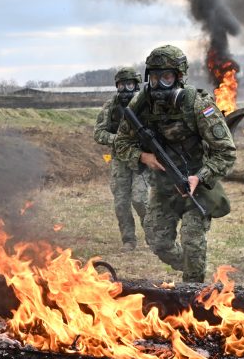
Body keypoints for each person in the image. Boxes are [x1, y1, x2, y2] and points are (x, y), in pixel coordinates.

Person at [114, 45, 236, 283]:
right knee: (158, 241)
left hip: (197, 186)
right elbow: (121, 144)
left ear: (179, 77)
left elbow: (226, 152)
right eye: (155, 77)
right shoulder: (142, 104)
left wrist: (200, 177)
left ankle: (193, 290)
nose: (160, 83)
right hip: (163, 186)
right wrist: (143, 157)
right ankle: (190, 266)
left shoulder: (198, 104)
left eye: (167, 76)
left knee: (192, 241)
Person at [93, 66, 149, 252]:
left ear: (136, 85)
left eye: (130, 84)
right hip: (119, 159)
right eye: (122, 85)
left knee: (140, 199)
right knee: (121, 202)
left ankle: (153, 235)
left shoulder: (146, 104)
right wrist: (117, 139)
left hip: (142, 159)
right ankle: (129, 240)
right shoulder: (111, 106)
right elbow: (99, 133)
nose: (125, 89)